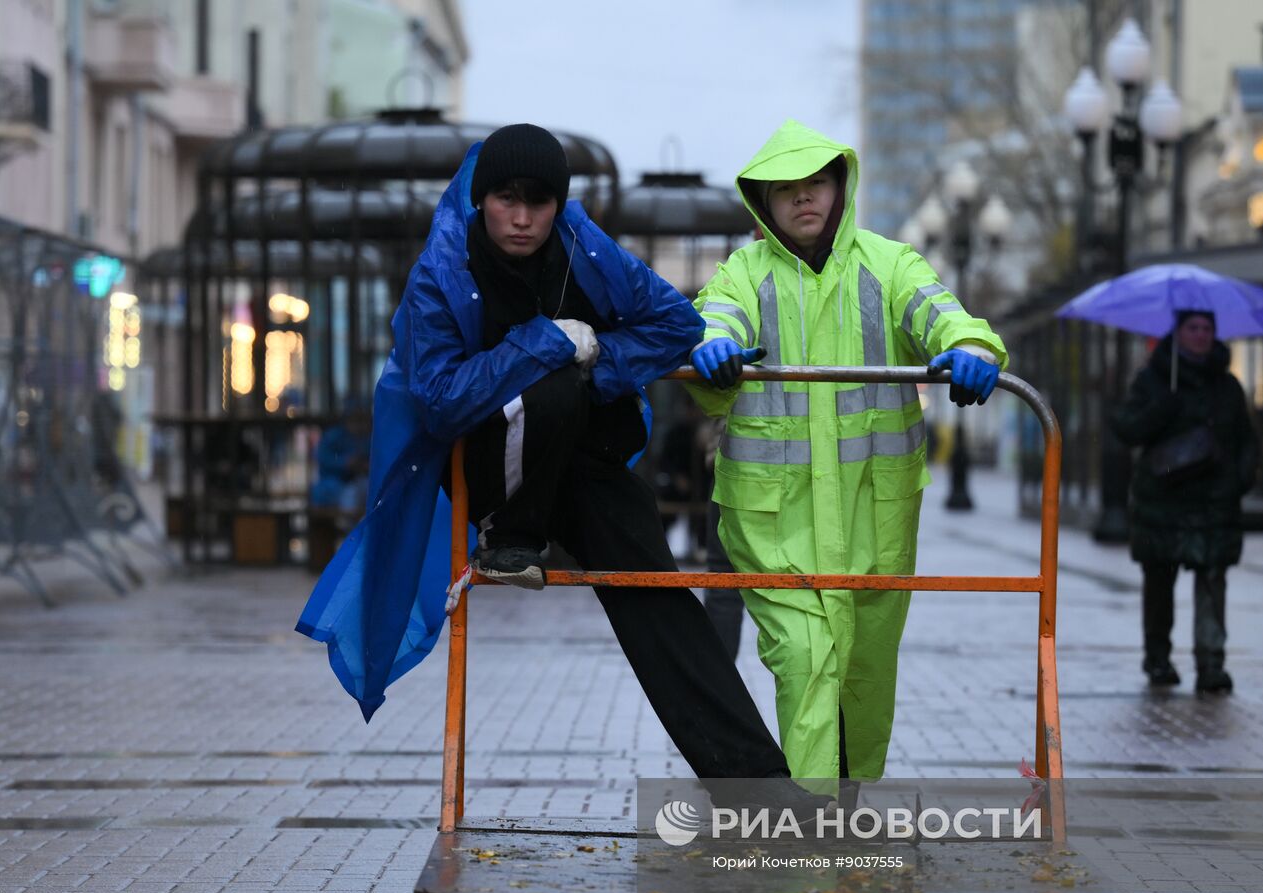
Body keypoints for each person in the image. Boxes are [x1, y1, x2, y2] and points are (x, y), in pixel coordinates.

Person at [298, 124, 827, 816]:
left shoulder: (581, 244)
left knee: (658, 594)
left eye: (539, 202)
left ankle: (755, 786)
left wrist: (595, 357)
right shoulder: (443, 268)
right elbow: (438, 400)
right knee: (547, 383)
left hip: (580, 463)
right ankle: (512, 539)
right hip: (491, 478)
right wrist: (546, 343)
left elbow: (675, 325)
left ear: (560, 204)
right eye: (506, 200)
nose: (522, 219)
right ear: (481, 199)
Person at [687, 120, 1009, 802]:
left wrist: (973, 351)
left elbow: (945, 316)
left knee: (864, 672)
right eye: (787, 190)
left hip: (874, 516)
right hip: (773, 522)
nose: (804, 199)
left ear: (840, 188)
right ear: (762, 203)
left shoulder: (889, 264)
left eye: (817, 184)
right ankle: (812, 824)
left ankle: (848, 800)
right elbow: (718, 317)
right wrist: (710, 348)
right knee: (804, 660)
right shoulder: (742, 274)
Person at [1110, 310, 1258, 694]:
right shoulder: (1153, 380)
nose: (1201, 335)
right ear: (1177, 334)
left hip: (1214, 503)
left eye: (1207, 328)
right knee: (1160, 583)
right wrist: (1164, 408)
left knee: (1212, 581)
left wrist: (1240, 479)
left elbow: (1245, 439)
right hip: (1163, 502)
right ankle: (1157, 658)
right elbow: (1126, 428)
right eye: (1193, 328)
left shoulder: (1227, 386)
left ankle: (1211, 664)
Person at [309, 400, 370, 512]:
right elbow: (323, 458)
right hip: (334, 484)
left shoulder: (367, 438)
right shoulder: (334, 436)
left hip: (360, 484)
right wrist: (345, 463)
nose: (359, 425)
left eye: (362, 420)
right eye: (355, 420)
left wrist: (366, 466)